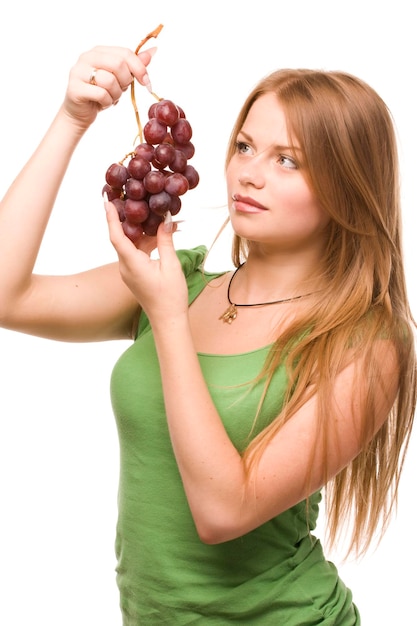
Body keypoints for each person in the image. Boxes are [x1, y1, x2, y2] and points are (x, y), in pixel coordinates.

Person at [0, 44, 415, 626]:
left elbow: (223, 512)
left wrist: (168, 320)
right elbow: (5, 294)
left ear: (347, 186)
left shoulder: (366, 343)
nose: (248, 171)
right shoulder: (184, 282)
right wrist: (73, 119)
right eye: (245, 146)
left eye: (288, 161)